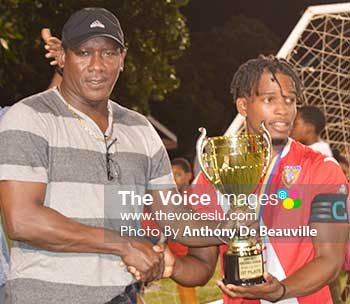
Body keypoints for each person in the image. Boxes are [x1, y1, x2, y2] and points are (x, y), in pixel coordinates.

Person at [0, 7, 221, 304]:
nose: (97, 65)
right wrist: (124, 245)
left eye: (108, 53)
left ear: (123, 59)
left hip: (120, 297)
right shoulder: (29, 117)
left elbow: (173, 217)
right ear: (63, 57)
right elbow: (23, 220)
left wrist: (236, 229)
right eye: (83, 52)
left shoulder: (140, 129)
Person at [190, 55, 348, 303]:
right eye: (269, 99)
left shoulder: (323, 169)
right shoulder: (215, 175)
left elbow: (330, 258)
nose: (283, 109)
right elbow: (200, 266)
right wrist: (169, 265)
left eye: (290, 100)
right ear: (243, 106)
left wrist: (281, 290)